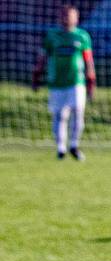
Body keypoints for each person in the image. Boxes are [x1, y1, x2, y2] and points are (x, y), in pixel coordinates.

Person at [32, 4, 96, 161]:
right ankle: (61, 148)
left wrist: (91, 80)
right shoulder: (52, 36)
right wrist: (36, 77)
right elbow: (42, 58)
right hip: (56, 83)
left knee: (78, 111)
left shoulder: (82, 36)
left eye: (70, 15)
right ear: (59, 17)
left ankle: (74, 145)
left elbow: (89, 60)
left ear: (77, 18)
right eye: (64, 15)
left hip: (76, 81)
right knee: (60, 115)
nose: (66, 18)